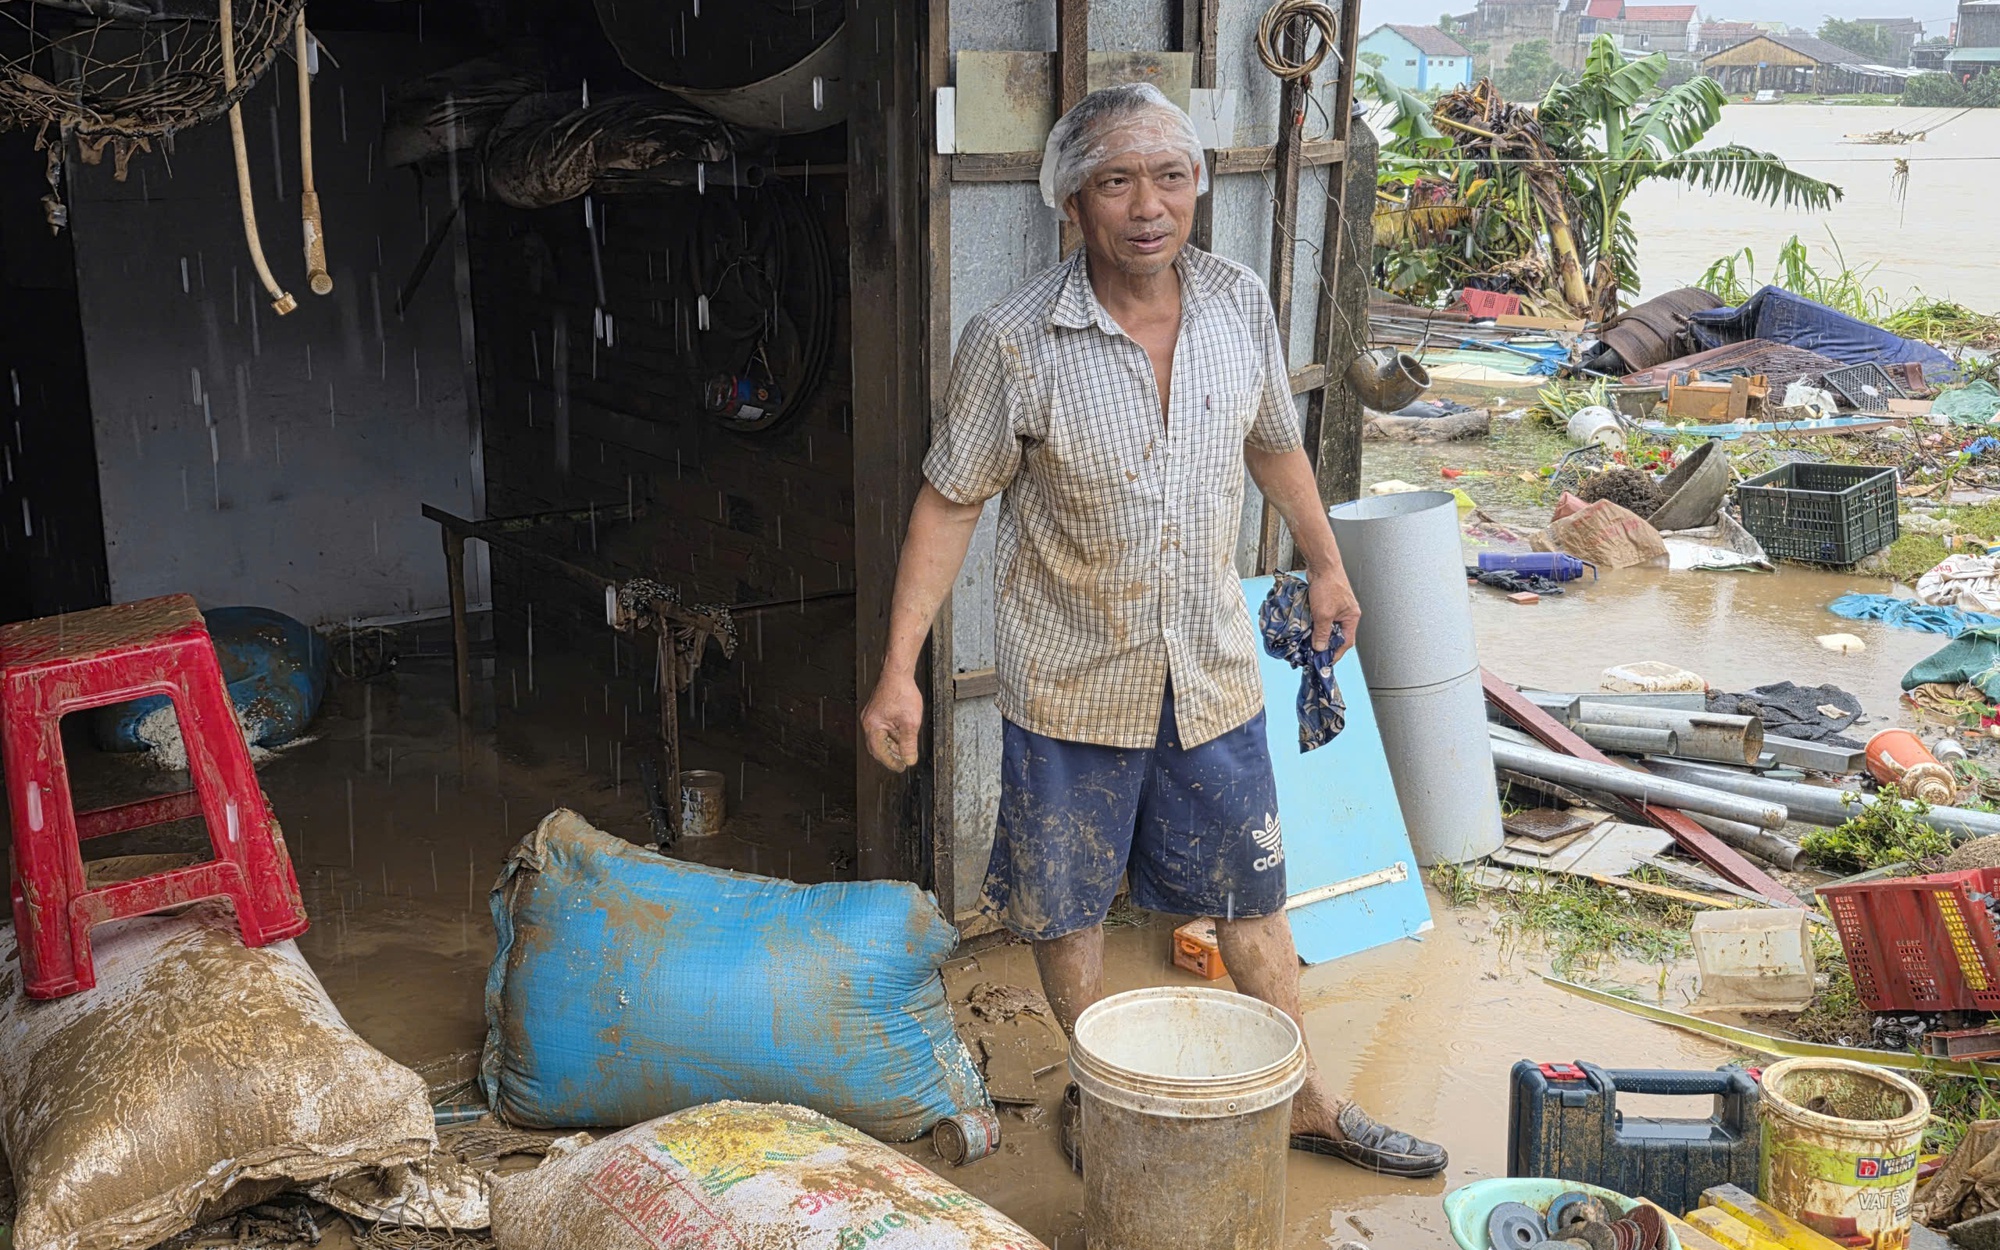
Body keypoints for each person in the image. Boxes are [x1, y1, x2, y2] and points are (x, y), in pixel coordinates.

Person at [858, 83, 1445, 1179]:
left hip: (1210, 673)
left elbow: (1274, 439)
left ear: (1197, 189)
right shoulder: (1013, 339)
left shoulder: (1237, 304)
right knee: (1064, 899)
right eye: (1115, 181)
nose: (1146, 206)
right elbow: (948, 500)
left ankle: (1305, 1094)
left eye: (1168, 177)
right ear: (1070, 202)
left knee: (1252, 898)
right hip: (1073, 678)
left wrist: (1323, 561)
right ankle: (1098, 1087)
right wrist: (900, 669)